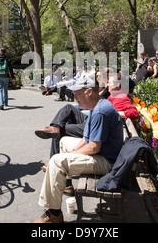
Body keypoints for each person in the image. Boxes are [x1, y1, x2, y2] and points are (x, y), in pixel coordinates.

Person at [33, 76, 123, 223]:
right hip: (101, 154)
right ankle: (66, 185)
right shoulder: (96, 106)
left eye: (77, 93)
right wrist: (71, 154)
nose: (74, 97)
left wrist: (70, 155)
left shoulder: (100, 111)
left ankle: (54, 214)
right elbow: (85, 138)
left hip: (107, 162)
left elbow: (94, 146)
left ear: (88, 92)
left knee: (56, 161)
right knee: (63, 141)